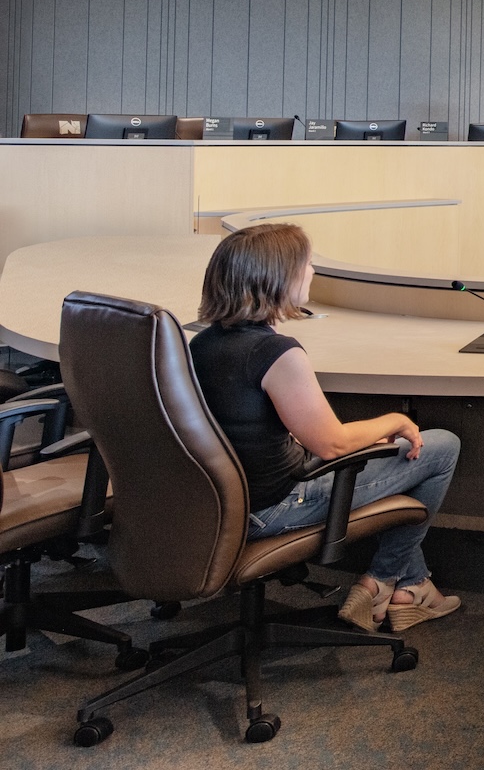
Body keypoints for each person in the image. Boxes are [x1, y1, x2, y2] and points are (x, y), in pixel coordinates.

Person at [187, 223, 463, 633]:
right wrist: (395, 421)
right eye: (307, 264)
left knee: (385, 450)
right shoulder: (276, 353)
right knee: (440, 447)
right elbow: (332, 444)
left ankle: (412, 587)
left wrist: (369, 436)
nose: (313, 271)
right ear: (277, 277)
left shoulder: (203, 343)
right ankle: (385, 581)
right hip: (272, 505)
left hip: (221, 500)